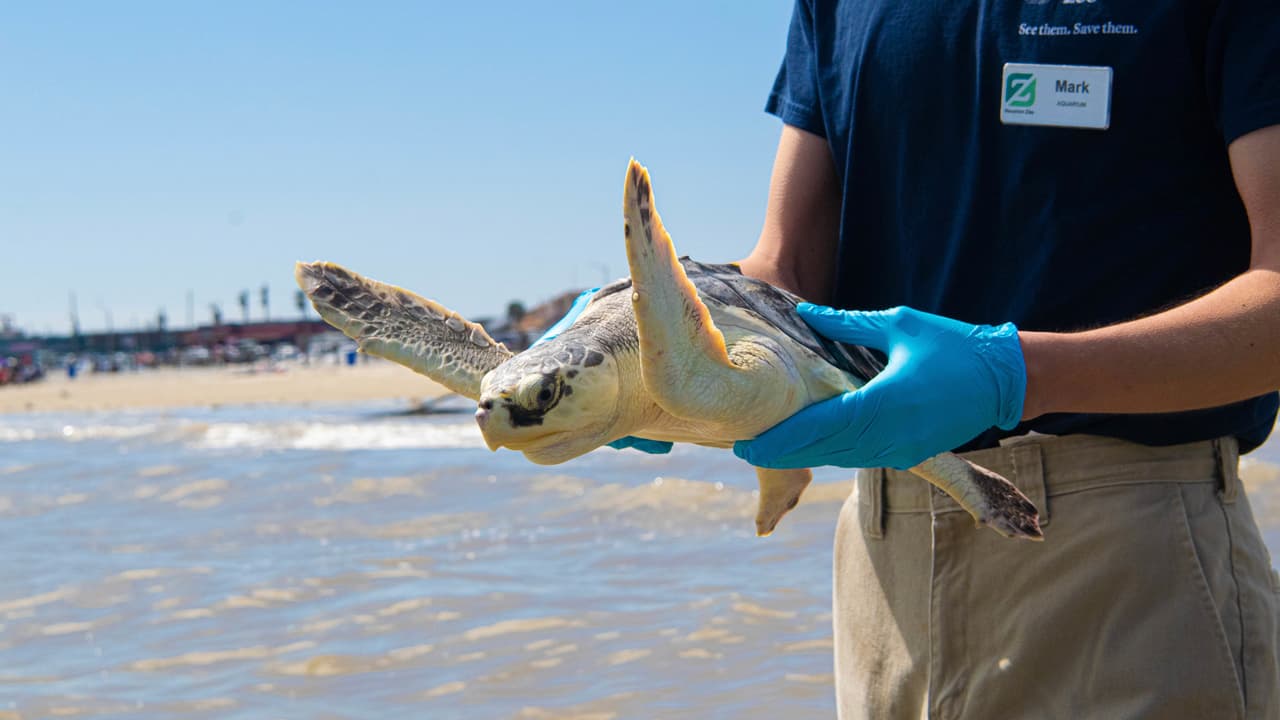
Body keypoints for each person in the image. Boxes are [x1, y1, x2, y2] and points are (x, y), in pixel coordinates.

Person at [724, 1, 1280, 718]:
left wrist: (1018, 374)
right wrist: (654, 337)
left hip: (1128, 562)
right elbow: (787, 268)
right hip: (883, 557)